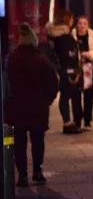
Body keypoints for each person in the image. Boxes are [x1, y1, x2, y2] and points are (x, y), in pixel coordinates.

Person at [6, 23, 59, 186]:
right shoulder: (41, 59)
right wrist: (47, 100)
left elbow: (7, 83)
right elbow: (53, 82)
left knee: (19, 142)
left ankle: (22, 174)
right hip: (38, 107)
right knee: (38, 140)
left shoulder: (12, 59)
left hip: (17, 107)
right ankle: (38, 171)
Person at [47, 10, 82, 133]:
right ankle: (67, 123)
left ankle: (70, 122)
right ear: (67, 20)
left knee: (67, 96)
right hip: (67, 70)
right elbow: (68, 54)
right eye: (71, 19)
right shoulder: (63, 36)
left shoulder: (58, 36)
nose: (73, 21)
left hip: (64, 69)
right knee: (66, 96)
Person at [72, 16, 93, 128]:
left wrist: (89, 54)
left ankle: (87, 120)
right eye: (80, 23)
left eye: (84, 23)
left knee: (88, 96)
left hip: (89, 70)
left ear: (88, 25)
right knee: (75, 96)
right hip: (76, 71)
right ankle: (77, 120)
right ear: (77, 24)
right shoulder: (72, 37)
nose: (82, 26)